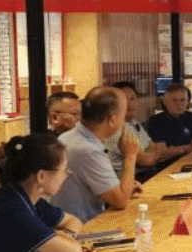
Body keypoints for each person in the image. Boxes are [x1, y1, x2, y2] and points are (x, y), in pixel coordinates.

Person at [51, 87, 141, 222]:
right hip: (83, 226)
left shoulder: (69, 137)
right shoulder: (88, 149)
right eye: (124, 113)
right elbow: (121, 201)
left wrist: (122, 188)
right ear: (112, 120)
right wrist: (130, 156)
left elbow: (106, 190)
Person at [104, 81, 165, 178]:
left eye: (132, 98)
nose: (129, 104)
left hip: (146, 174)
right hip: (131, 179)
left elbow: (152, 147)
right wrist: (158, 152)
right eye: (124, 100)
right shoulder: (116, 128)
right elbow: (148, 161)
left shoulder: (133, 122)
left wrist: (154, 153)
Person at [147, 83, 192, 158]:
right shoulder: (155, 121)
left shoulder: (191, 117)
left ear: (187, 102)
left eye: (182, 100)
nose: (179, 104)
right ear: (165, 101)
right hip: (168, 162)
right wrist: (186, 149)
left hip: (190, 158)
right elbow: (162, 152)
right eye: (174, 100)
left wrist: (176, 149)